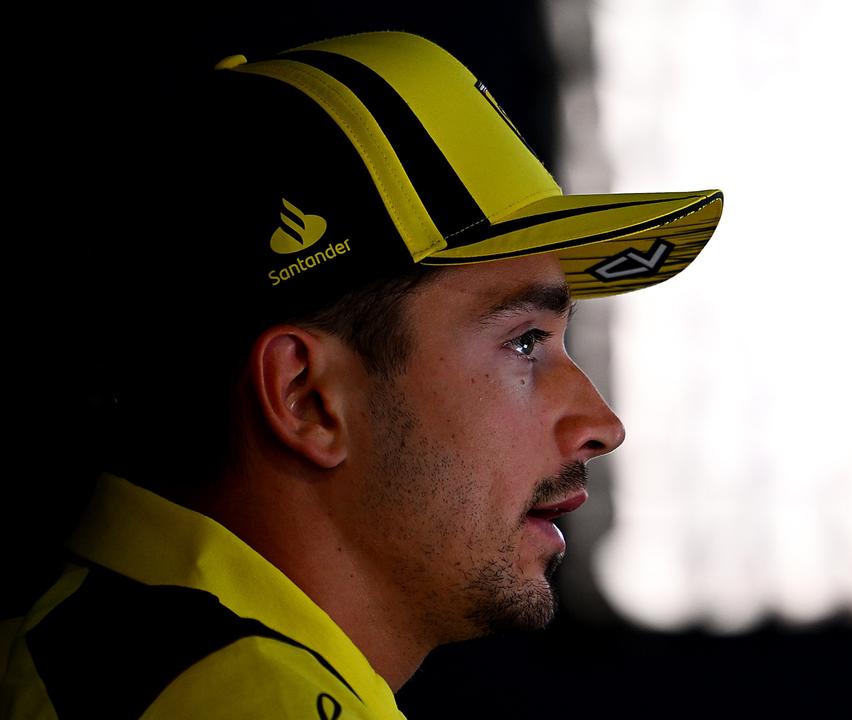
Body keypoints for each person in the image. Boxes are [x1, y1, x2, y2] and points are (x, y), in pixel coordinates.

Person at [0, 31, 722, 719]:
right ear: (307, 399)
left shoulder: (84, 643)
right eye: (525, 342)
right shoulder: (251, 703)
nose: (601, 425)